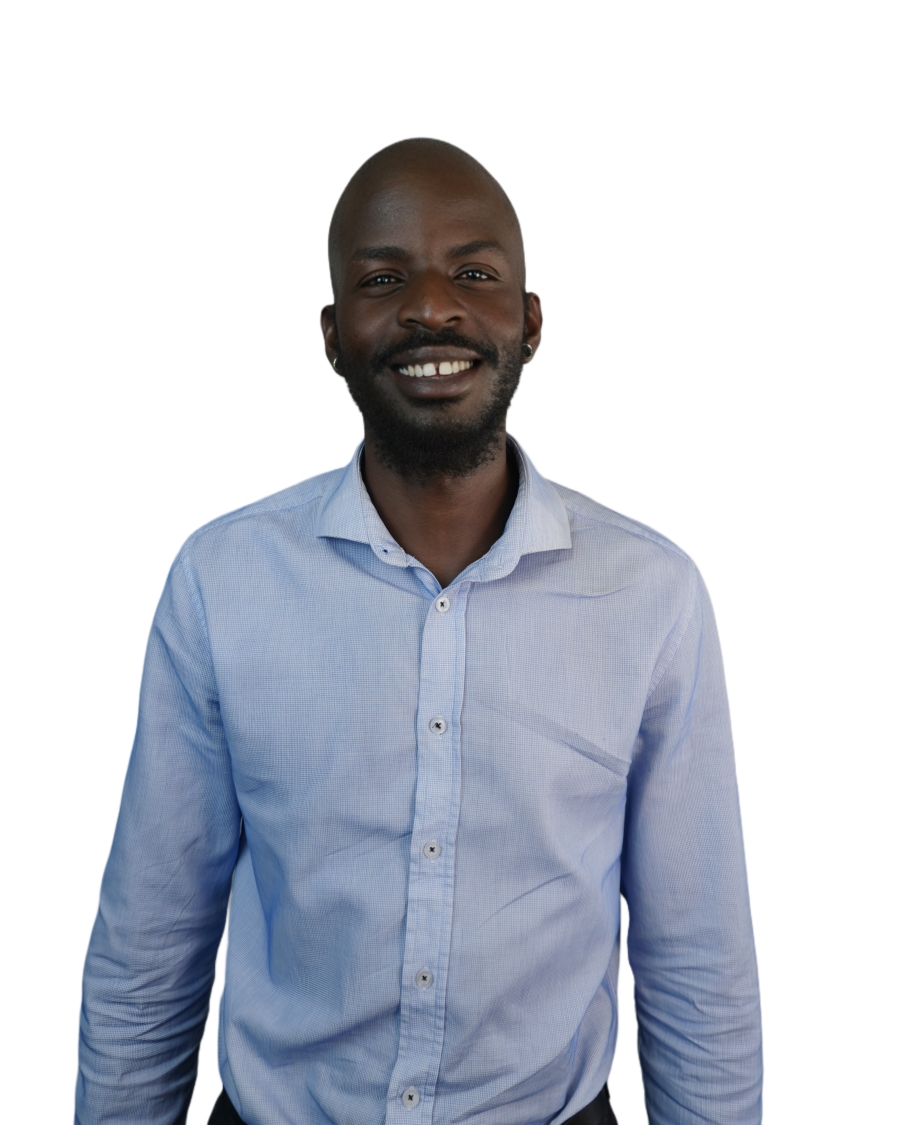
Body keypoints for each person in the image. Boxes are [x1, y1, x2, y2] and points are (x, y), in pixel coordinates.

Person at [76, 138, 762, 1125]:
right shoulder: (222, 584)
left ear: (529, 321)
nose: (430, 307)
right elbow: (150, 946)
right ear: (332, 333)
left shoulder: (649, 597)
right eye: (382, 278)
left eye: (472, 275)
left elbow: (696, 962)